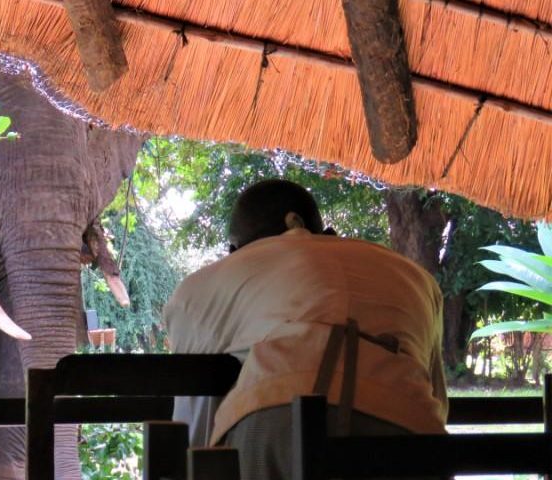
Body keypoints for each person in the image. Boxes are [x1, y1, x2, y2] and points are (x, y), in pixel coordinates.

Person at [164, 179, 447, 479]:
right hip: (410, 427)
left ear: (236, 250)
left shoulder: (206, 285)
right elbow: (437, 399)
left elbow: (194, 412)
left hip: (275, 416)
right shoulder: (415, 276)